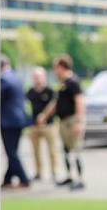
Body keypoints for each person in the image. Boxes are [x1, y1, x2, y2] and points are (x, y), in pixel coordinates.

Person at [37, 55, 86, 190]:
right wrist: (44, 115)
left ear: (62, 67)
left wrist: (79, 122)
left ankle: (80, 179)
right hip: (63, 121)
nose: (54, 70)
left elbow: (79, 102)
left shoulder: (73, 82)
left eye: (56, 67)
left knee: (76, 150)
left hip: (72, 120)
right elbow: (55, 103)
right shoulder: (62, 84)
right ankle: (70, 176)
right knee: (66, 150)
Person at [1, 55, 30, 189]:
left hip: (8, 121)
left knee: (11, 152)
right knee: (12, 151)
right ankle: (7, 179)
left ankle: (24, 179)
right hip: (19, 120)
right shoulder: (16, 78)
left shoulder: (3, 80)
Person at [26, 66, 59, 183]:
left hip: (48, 125)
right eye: (35, 77)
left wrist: (44, 115)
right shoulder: (30, 92)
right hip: (34, 125)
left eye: (39, 76)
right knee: (36, 150)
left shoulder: (50, 91)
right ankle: (38, 172)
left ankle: (54, 172)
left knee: (52, 150)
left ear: (44, 77)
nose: (37, 79)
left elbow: (54, 104)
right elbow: (27, 107)